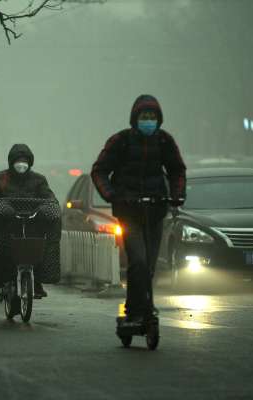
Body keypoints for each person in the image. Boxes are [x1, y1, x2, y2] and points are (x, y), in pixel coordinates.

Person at [91, 94, 186, 326]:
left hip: (155, 210)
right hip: (129, 211)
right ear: (135, 118)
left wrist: (177, 195)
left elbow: (177, 170)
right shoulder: (121, 141)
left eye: (153, 117)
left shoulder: (164, 141)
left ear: (159, 119)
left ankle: (143, 305)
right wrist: (112, 195)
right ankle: (134, 310)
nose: (148, 121)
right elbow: (99, 171)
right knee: (139, 261)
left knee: (150, 266)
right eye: (145, 116)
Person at [0, 144, 59, 298]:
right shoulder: (0, 179)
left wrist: (47, 209)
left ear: (30, 162)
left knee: (39, 249)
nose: (21, 164)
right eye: (18, 161)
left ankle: (38, 280)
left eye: (25, 161)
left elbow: (49, 198)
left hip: (32, 225)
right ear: (11, 162)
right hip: (6, 225)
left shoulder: (39, 180)